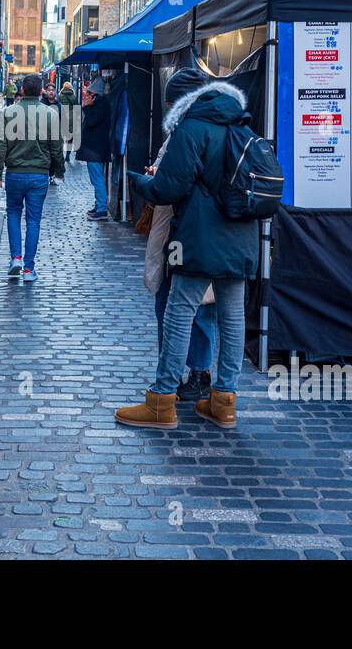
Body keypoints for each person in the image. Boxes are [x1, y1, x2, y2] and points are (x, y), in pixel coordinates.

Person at [118, 68, 258, 430]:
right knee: (232, 316)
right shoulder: (242, 126)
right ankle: (224, 401)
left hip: (199, 236)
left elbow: (169, 188)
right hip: (241, 237)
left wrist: (142, 180)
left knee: (178, 311)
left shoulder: (191, 128)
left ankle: (162, 400)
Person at [142, 72, 219, 402]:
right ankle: (174, 371)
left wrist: (160, 179)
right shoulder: (180, 132)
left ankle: (191, 376)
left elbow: (197, 182)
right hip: (178, 234)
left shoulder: (204, 134)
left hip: (192, 234)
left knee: (196, 305)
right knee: (170, 298)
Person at [0, 73, 65, 284]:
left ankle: (15, 257)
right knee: (33, 220)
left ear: (22, 90)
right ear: (41, 91)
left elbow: (1, 146)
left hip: (14, 173)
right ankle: (28, 269)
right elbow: (56, 148)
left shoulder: (8, 112)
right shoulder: (50, 114)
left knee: (13, 214)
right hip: (39, 175)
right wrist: (59, 171)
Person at [77, 79, 111, 221]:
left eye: (89, 93)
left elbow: (92, 121)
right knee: (97, 178)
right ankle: (99, 205)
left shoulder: (100, 105)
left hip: (95, 150)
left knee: (97, 179)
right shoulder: (101, 104)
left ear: (95, 95)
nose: (86, 96)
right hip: (95, 149)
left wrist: (87, 107)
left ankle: (102, 208)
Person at [58, 81, 78, 162]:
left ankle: (59, 154)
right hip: (71, 118)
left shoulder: (59, 96)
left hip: (61, 117)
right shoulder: (73, 96)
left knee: (60, 137)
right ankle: (68, 155)